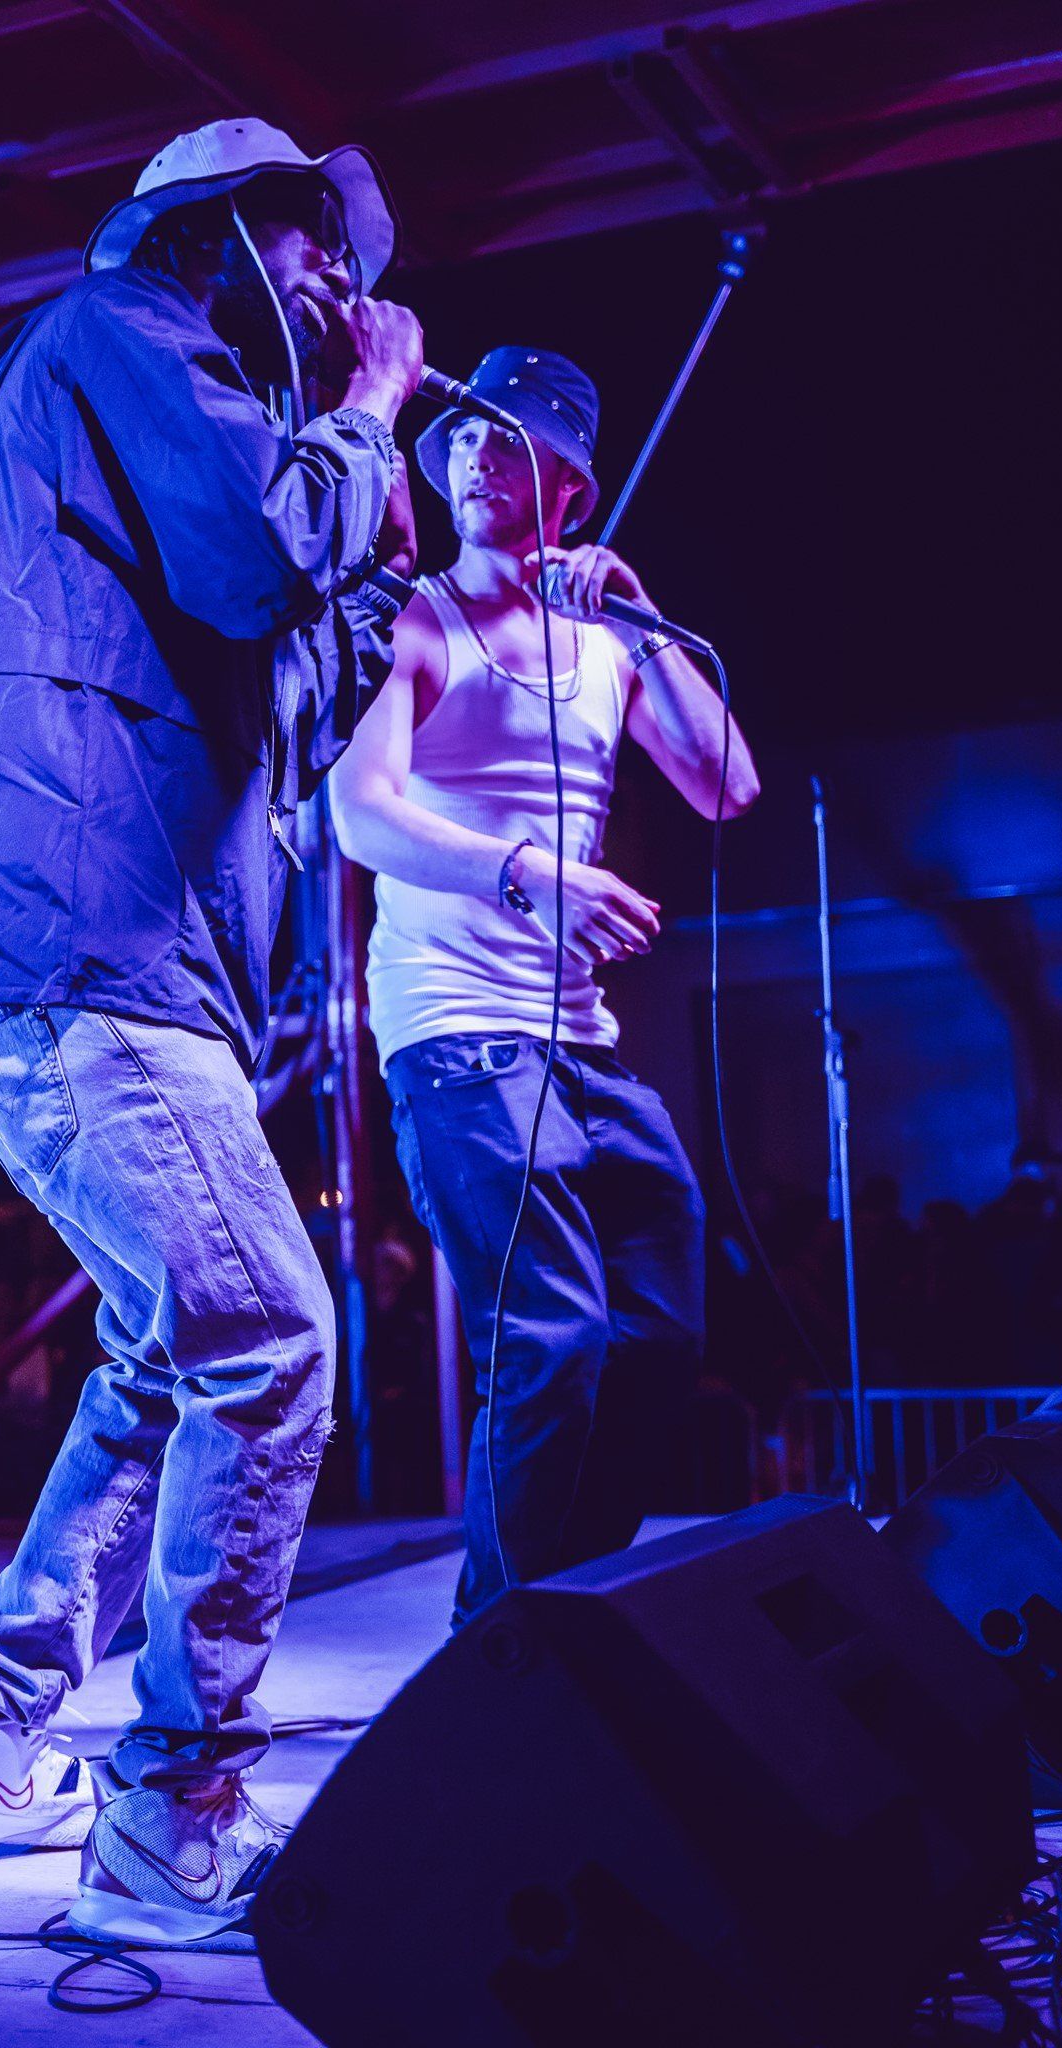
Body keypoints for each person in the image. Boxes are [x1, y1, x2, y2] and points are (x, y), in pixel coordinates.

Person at [0, 117, 423, 1946]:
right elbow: (265, 562)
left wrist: (388, 560)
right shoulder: (123, 329)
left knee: (163, 1352)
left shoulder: (170, 414)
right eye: (318, 249)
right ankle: (170, 1811)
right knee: (269, 1337)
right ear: (228, 237)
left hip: (98, 945)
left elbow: (285, 690)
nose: (345, 288)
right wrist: (373, 413)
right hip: (69, 935)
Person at [330, 347, 759, 1625]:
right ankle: (498, 1653)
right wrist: (530, 873)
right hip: (458, 1031)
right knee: (553, 1336)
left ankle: (561, 1607)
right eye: (459, 433)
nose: (470, 452)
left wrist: (635, 615)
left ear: (567, 477)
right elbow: (361, 812)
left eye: (503, 437)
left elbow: (725, 781)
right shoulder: (419, 621)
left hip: (581, 1039)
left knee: (661, 1332)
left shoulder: (605, 644)